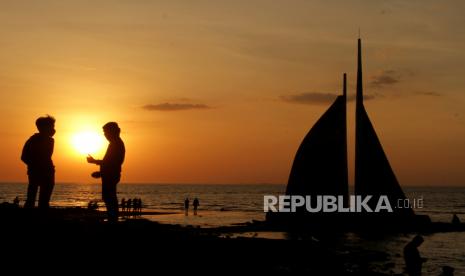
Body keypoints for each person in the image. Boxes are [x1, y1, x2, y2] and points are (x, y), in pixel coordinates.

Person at [87, 122, 125, 223]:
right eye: (104, 133)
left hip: (111, 175)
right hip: (110, 174)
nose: (105, 135)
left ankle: (113, 219)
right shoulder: (115, 144)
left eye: (106, 132)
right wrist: (100, 172)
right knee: (109, 197)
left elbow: (112, 162)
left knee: (110, 197)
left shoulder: (116, 144)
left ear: (113, 132)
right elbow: (109, 162)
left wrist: (94, 162)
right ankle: (112, 218)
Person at [21, 115, 56, 209]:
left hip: (47, 172)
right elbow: (24, 157)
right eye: (51, 126)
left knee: (44, 201)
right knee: (32, 199)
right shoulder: (33, 140)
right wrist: (35, 166)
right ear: (43, 127)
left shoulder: (50, 140)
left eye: (53, 126)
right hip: (37, 172)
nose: (53, 129)